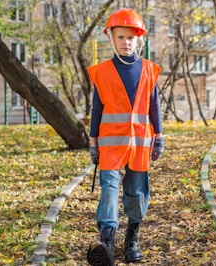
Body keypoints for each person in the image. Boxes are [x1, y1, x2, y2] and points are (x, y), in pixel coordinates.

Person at [86, 8, 164, 265]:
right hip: (110, 144)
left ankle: (132, 236)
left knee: (135, 191)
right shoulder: (103, 72)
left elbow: (154, 107)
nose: (126, 42)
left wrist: (160, 136)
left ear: (139, 39)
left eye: (130, 37)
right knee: (108, 189)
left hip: (140, 144)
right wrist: (93, 140)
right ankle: (106, 240)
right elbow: (97, 108)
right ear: (111, 38)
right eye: (120, 37)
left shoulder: (149, 71)